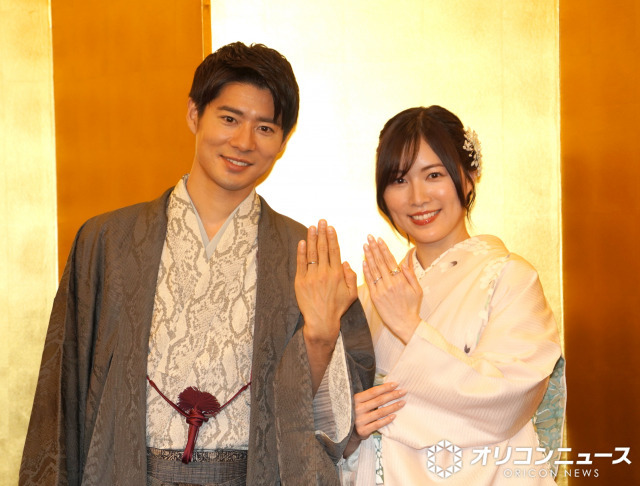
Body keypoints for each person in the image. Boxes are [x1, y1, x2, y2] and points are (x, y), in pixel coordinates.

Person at [20, 42, 375, 486]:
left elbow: (340, 424)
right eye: (229, 119)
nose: (243, 142)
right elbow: (62, 398)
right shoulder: (108, 242)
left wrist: (320, 338)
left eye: (265, 128)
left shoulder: (306, 254)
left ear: (284, 141)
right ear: (194, 114)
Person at [341, 106, 565, 485]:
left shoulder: (511, 278)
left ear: (469, 177)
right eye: (399, 180)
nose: (417, 197)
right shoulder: (368, 297)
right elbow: (336, 420)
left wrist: (411, 328)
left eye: (434, 175)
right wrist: (350, 426)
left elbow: (507, 401)